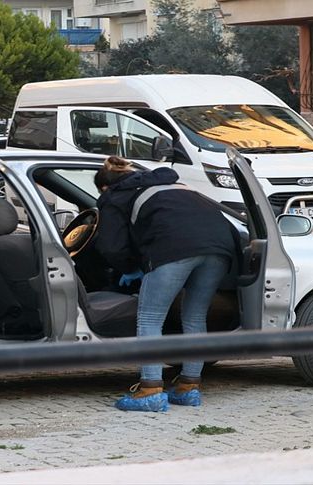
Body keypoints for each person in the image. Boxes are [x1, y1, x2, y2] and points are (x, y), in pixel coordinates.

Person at [94, 156, 237, 412]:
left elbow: (110, 245)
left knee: (149, 318)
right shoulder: (174, 186)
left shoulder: (114, 196)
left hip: (173, 250)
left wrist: (129, 267)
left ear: (105, 186)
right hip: (220, 249)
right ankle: (188, 388)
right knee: (195, 317)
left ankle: (149, 390)